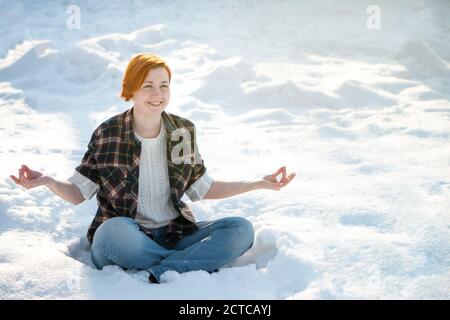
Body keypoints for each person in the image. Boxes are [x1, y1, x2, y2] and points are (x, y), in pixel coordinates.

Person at [9, 53, 296, 284]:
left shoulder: (182, 131)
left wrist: (258, 183)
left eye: (164, 85)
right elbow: (77, 193)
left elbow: (202, 188)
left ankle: (160, 270)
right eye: (148, 86)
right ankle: (188, 263)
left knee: (240, 229)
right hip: (127, 238)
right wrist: (47, 181)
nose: (157, 94)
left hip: (175, 233)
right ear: (130, 89)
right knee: (112, 232)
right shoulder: (108, 133)